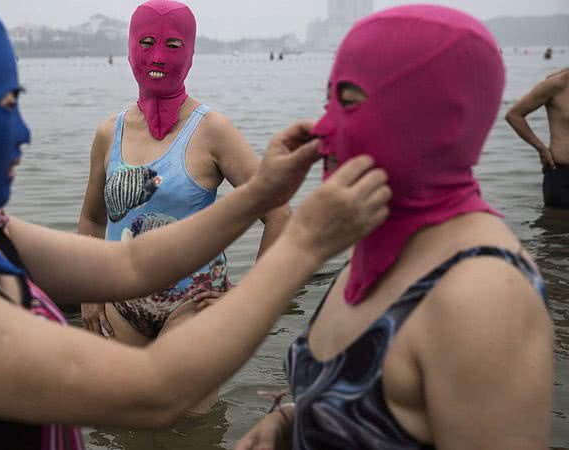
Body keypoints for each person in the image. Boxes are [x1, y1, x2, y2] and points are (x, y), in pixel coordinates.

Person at [0, 1, 390, 448]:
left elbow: (130, 264)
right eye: (5, 106)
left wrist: (264, 191)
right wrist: (307, 242)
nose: (23, 132)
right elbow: (155, 391)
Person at [236, 5, 553, 450]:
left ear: (438, 120)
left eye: (348, 102)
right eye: (328, 100)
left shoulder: (482, 294)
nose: (323, 128)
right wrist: (292, 420)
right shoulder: (371, 246)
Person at [77, 0, 290, 413]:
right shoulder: (110, 132)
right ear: (130, 49)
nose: (157, 56)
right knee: (127, 420)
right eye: (146, 43)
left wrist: (248, 297)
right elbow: (91, 217)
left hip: (192, 306)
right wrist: (90, 292)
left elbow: (279, 214)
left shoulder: (213, 130)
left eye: (173, 44)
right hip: (122, 302)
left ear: (190, 53)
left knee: (191, 427)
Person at [506, 67, 569, 208]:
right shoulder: (557, 83)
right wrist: (541, 148)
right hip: (562, 176)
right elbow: (514, 115)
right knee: (557, 227)